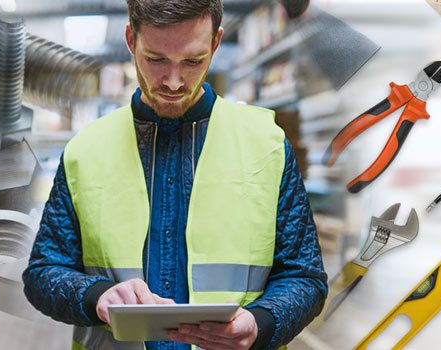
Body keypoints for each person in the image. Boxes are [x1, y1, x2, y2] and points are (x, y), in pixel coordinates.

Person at [23, 0, 326, 348]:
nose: (173, 81)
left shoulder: (267, 144)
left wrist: (261, 322)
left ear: (215, 42)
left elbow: (305, 276)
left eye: (193, 61)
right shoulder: (86, 150)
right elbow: (44, 272)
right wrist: (96, 296)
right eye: (155, 59)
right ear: (130, 40)